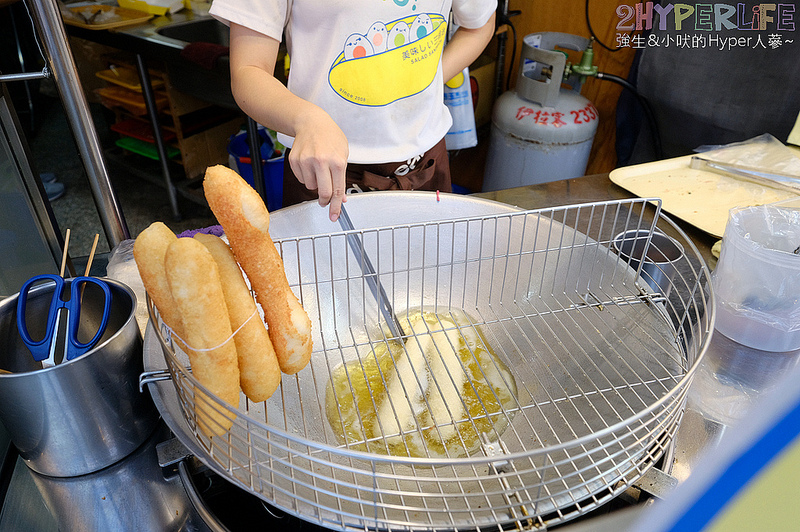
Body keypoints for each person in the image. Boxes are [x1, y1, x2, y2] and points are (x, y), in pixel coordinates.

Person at [209, 0, 496, 221]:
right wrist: (308, 120)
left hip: (425, 163)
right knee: (322, 293)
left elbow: (480, 25)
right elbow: (249, 70)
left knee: (429, 291)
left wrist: (422, 83)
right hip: (321, 172)